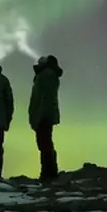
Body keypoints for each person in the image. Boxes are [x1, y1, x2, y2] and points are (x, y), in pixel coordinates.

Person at [27, 54, 63, 182]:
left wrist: (38, 116)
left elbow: (43, 98)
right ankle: (49, 171)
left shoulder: (45, 75)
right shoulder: (49, 75)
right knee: (45, 142)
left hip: (43, 116)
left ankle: (49, 172)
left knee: (44, 143)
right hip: (45, 115)